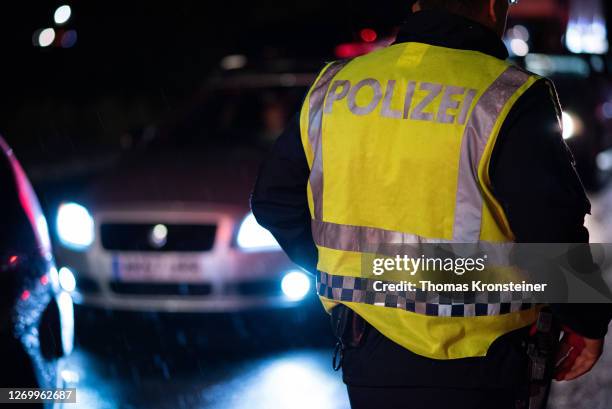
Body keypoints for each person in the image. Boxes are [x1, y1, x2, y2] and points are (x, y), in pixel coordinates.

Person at [251, 0, 611, 407]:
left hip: (369, 356)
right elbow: (552, 228)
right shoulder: (509, 95)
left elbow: (273, 201)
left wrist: (347, 269)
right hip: (484, 363)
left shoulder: (335, 86)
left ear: (418, 4)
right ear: (493, 6)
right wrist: (586, 322)